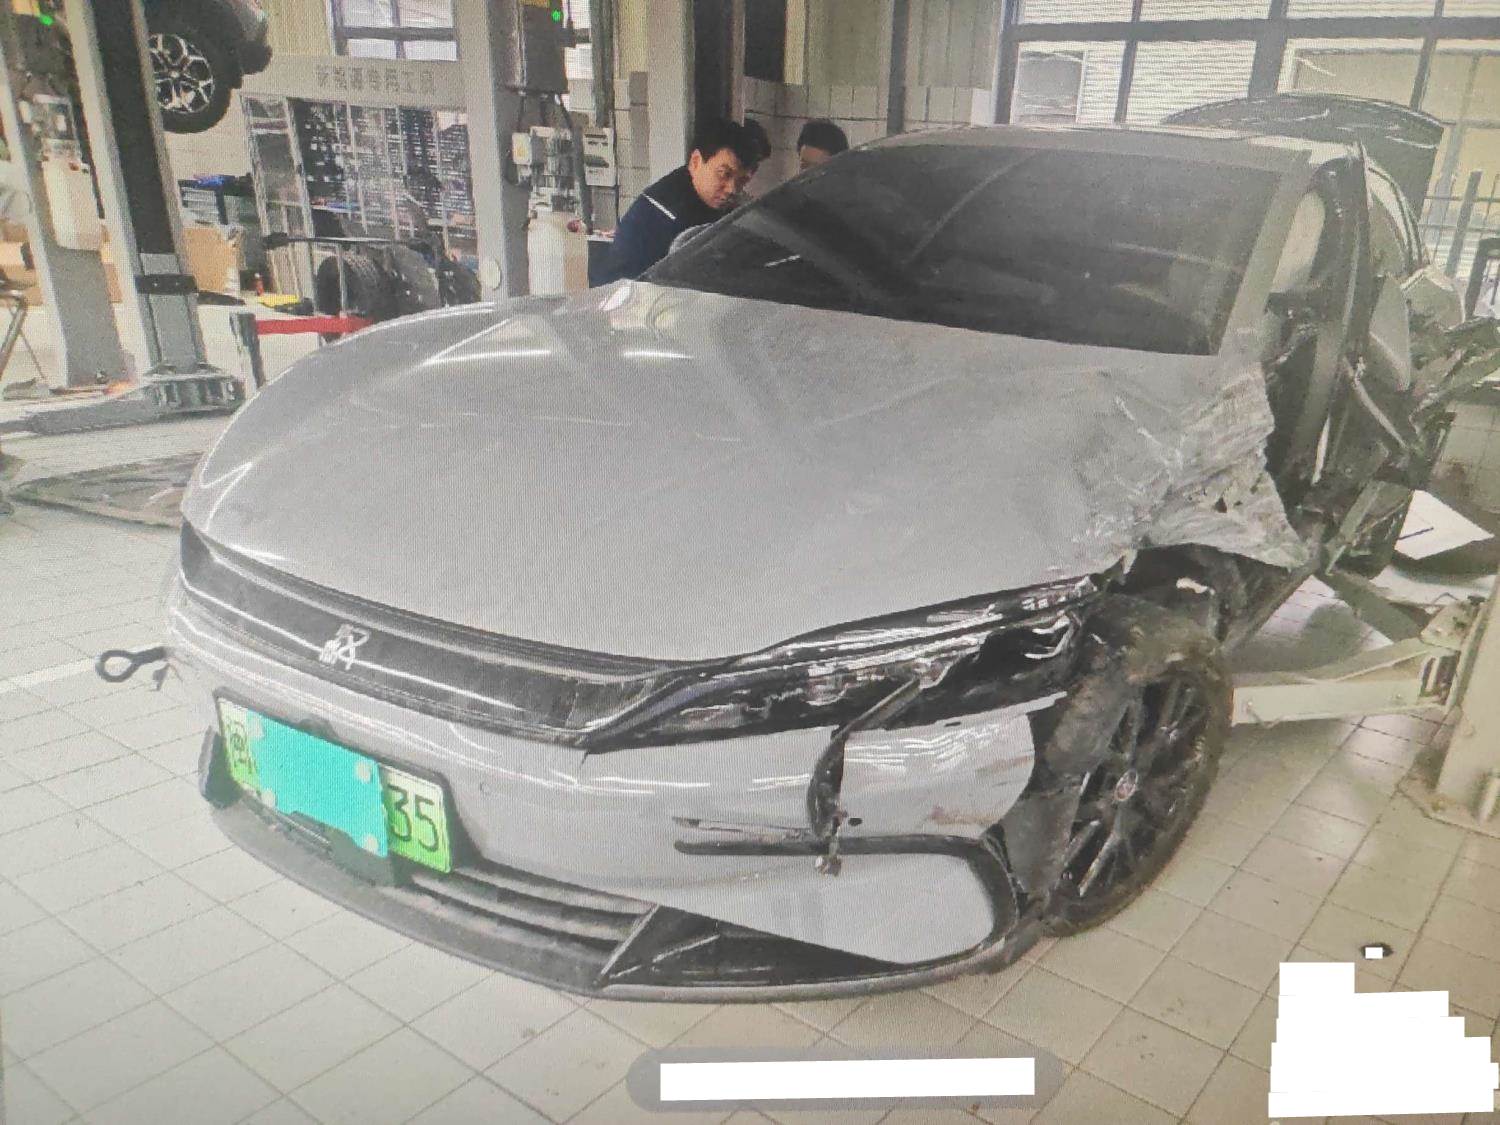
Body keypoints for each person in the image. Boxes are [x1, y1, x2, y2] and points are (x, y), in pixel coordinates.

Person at [596, 117, 759, 284]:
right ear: (696, 162)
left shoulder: (711, 202)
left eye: (742, 181)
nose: (732, 189)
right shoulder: (667, 215)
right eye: (724, 174)